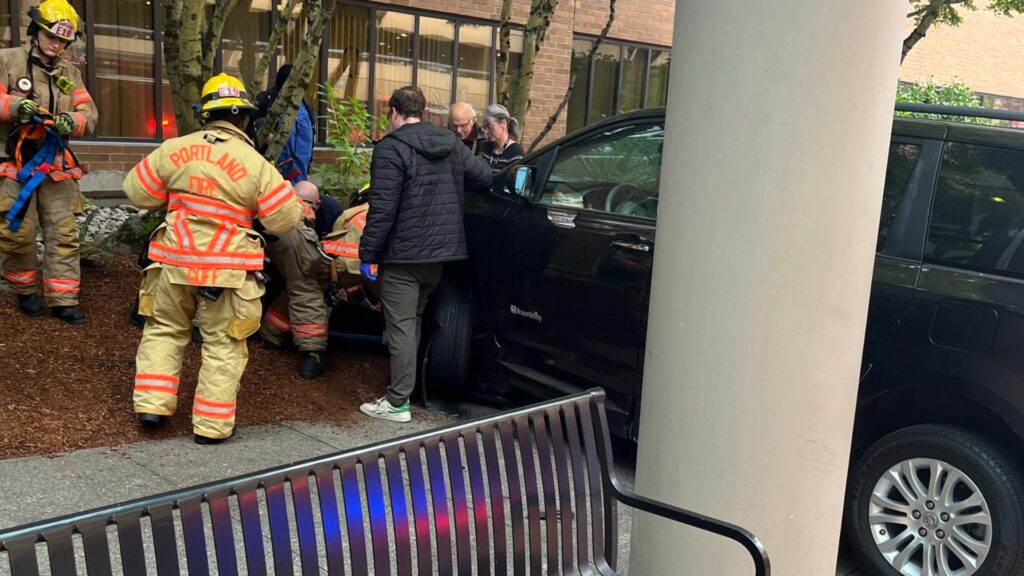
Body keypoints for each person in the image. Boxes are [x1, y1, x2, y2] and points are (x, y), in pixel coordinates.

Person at [123, 73, 304, 444]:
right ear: (243, 119)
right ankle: (210, 428)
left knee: (164, 330)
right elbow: (284, 218)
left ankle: (152, 407)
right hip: (228, 272)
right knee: (223, 344)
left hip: (172, 263)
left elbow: (136, 192)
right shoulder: (255, 164)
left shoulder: (174, 149)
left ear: (205, 114)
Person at [358, 86, 491, 423]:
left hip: (403, 257)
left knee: (401, 327)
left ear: (393, 112)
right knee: (413, 322)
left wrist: (367, 254)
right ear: (424, 110)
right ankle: (408, 390)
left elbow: (383, 210)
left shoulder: (391, 148)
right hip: (439, 258)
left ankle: (397, 402)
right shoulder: (450, 143)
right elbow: (484, 176)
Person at [0, 0, 97, 324]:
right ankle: (25, 291)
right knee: (17, 233)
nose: (56, 45)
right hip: (15, 163)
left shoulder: (70, 73)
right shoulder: (7, 60)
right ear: (36, 31)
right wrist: (16, 106)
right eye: (51, 37)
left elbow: (90, 114)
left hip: (55, 166)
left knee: (64, 233)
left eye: (63, 41)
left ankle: (63, 299)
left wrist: (73, 120)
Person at [258, 180, 342, 379]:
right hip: (302, 254)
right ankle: (312, 356)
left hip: (270, 244)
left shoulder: (281, 203)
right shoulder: (330, 211)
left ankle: (270, 335)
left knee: (294, 288)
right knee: (306, 288)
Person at [252, 64, 315, 183]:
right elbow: (249, 126)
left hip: (301, 174)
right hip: (273, 174)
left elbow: (310, 140)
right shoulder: (267, 100)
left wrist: (308, 171)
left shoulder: (305, 107)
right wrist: (265, 135)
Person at [479, 104, 525, 174]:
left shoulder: (516, 154)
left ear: (503, 123)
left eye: (490, 127)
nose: (486, 131)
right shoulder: (485, 148)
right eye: (484, 127)